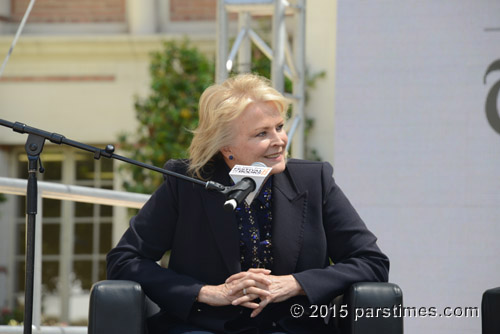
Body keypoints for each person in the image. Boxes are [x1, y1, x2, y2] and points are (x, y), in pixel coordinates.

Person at [106, 73, 389, 334]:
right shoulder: (187, 183)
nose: (279, 141)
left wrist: (296, 284)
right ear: (226, 147)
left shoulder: (314, 180)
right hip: (202, 327)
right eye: (261, 133)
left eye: (279, 127)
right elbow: (125, 260)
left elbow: (371, 261)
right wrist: (206, 292)